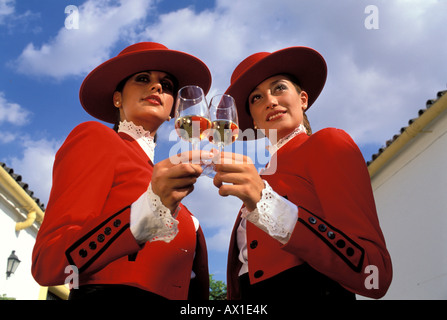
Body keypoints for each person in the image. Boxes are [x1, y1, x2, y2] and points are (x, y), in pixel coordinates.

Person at [32, 42, 212, 300]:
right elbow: (48, 263)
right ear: (117, 97)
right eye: (142, 79)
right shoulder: (96, 138)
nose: (157, 87)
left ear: (174, 110)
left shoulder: (174, 193)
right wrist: (147, 211)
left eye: (167, 85)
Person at [214, 46, 392, 299]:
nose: (271, 101)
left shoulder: (328, 143)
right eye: (256, 98)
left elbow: (375, 275)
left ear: (303, 99)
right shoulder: (260, 176)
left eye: (279, 88)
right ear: (252, 120)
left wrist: (268, 204)